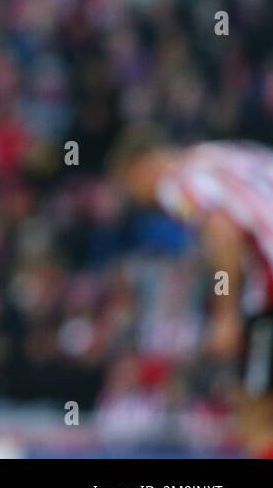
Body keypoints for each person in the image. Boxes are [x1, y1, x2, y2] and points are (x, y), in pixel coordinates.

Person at [117, 138, 273, 457]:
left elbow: (221, 231)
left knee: (256, 412)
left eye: (132, 189)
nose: (142, 202)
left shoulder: (175, 184)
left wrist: (225, 313)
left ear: (140, 168)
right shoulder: (221, 154)